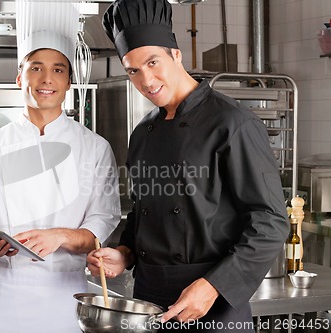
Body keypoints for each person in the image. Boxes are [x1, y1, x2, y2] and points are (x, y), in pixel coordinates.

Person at [87, 0, 289, 331]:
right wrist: (124, 253)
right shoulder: (142, 132)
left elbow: (271, 222)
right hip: (147, 299)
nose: (147, 80)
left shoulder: (232, 123)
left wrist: (213, 287)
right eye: (133, 71)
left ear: (176, 55)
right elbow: (144, 213)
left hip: (211, 300)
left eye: (153, 63)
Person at [0, 1, 120, 332]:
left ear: (69, 82)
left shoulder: (95, 148)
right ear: (19, 77)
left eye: (58, 69)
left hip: (68, 295)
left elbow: (101, 225)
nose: (46, 78)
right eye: (35, 67)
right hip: (6, 291)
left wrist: (59, 236)